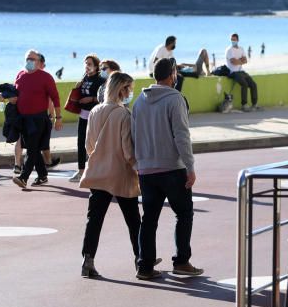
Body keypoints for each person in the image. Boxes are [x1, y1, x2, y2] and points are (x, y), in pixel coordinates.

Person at [131, 58, 203, 280]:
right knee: (184, 213)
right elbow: (182, 135)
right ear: (172, 74)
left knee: (149, 218)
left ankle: (145, 266)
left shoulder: (139, 101)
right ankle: (181, 261)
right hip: (172, 168)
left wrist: (138, 163)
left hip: (147, 169)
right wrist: (190, 166)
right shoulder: (175, 99)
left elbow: (134, 135)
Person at [78, 72, 145, 279]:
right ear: (121, 89)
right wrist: (139, 169)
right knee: (134, 220)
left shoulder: (95, 110)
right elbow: (128, 149)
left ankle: (88, 260)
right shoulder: (124, 114)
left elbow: (88, 144)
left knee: (94, 218)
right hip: (120, 174)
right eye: (129, 89)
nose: (130, 93)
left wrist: (98, 158)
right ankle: (141, 260)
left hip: (98, 173)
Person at [11, 52, 62, 188]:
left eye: (32, 59)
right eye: (27, 58)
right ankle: (42, 175)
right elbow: (15, 93)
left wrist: (58, 118)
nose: (29, 61)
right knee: (33, 148)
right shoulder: (20, 75)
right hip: (23, 119)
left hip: (38, 119)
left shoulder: (46, 77)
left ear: (39, 62)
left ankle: (24, 177)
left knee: (31, 150)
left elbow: (55, 98)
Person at [71, 54, 106, 182]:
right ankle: (80, 171)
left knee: (95, 143)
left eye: (90, 64)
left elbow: (104, 99)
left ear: (97, 67)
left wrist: (91, 99)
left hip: (95, 115)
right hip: (83, 114)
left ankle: (97, 170)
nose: (87, 66)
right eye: (86, 64)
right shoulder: (84, 78)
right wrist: (78, 86)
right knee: (81, 142)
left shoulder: (100, 80)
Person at [226, 33, 260, 111]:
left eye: (234, 39)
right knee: (244, 84)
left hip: (241, 71)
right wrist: (241, 61)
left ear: (238, 40)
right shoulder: (229, 50)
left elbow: (246, 60)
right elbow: (233, 62)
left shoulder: (241, 49)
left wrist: (239, 61)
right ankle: (244, 105)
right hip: (233, 72)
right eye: (231, 39)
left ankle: (254, 104)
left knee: (253, 84)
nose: (232, 41)